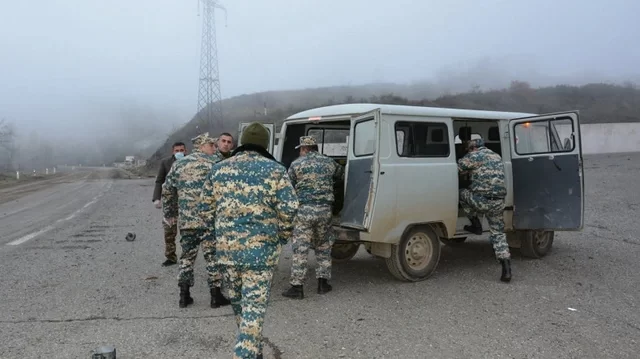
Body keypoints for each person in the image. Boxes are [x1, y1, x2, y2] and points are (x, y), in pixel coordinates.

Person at [200, 122, 298, 359]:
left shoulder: (219, 169)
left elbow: (205, 211)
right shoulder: (275, 170)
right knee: (252, 313)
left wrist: (218, 243)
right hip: (261, 255)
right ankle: (247, 352)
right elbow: (290, 209)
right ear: (265, 144)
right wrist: (281, 238)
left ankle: (254, 351)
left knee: (241, 308)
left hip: (228, 254)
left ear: (242, 141)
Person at [162, 133, 231, 308]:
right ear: (203, 146)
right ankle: (216, 297)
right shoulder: (215, 164)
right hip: (210, 221)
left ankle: (184, 296)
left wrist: (170, 213)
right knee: (213, 258)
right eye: (212, 146)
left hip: (187, 222)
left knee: (186, 258)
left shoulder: (179, 164)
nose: (214, 149)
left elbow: (168, 190)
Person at [282, 136, 343, 299]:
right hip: (325, 210)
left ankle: (297, 287)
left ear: (303, 149)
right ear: (315, 148)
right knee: (323, 246)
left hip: (304, 211)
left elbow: (289, 185)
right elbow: (340, 175)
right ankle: (323, 284)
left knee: (300, 248)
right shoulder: (329, 162)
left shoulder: (296, 164)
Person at [457, 138, 512, 282]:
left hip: (482, 201)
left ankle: (475, 223)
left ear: (473, 148)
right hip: (499, 202)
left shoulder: (474, 156)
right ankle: (506, 269)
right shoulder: (496, 155)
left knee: (461, 193)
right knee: (498, 234)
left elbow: (457, 168)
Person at [153, 141, 186, 266]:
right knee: (169, 232)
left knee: (186, 232)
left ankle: (186, 258)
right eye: (177, 151)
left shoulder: (190, 162)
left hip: (185, 202)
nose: (179, 153)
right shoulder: (165, 163)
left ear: (186, 151)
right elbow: (159, 180)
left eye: (182, 150)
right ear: (173, 151)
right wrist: (156, 198)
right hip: (170, 202)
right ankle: (171, 257)